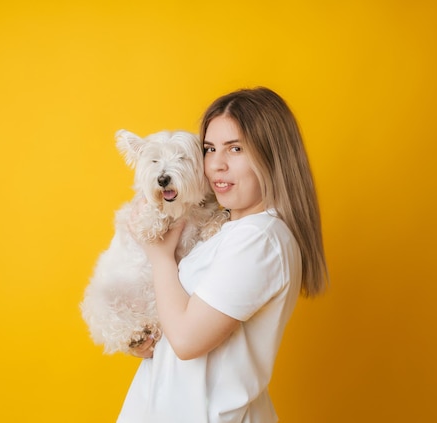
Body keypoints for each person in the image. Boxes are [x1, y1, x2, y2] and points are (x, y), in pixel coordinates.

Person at [117, 87, 328, 423]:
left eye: (236, 149)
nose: (216, 164)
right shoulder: (226, 232)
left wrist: (159, 256)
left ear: (273, 156)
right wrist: (146, 337)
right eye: (209, 149)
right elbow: (180, 324)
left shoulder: (260, 239)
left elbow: (186, 340)